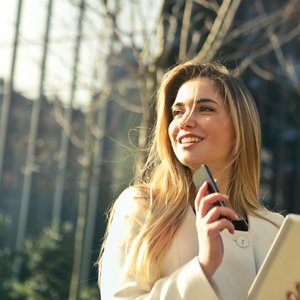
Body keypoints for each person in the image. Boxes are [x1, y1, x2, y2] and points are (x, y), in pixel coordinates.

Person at [98, 61, 300, 300]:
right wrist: (203, 266)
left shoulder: (279, 232)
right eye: (177, 112)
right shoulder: (143, 206)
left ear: (240, 128)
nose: (184, 122)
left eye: (205, 109)